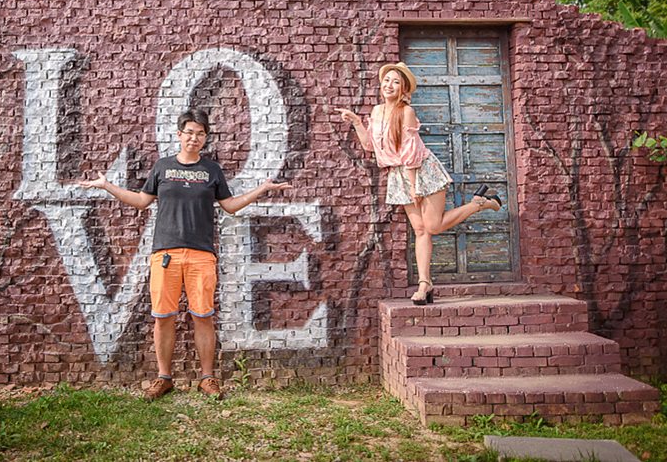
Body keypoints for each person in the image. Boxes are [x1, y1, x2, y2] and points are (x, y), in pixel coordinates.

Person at [77, 108, 291, 401]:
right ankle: (164, 378)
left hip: (201, 255)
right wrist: (107, 186)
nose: (194, 138)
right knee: (163, 317)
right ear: (179, 135)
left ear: (205, 138)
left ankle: (207, 378)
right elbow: (141, 201)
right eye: (189, 132)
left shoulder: (211, 171)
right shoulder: (162, 167)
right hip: (165, 254)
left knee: (203, 316)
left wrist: (262, 189)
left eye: (200, 133)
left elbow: (229, 205)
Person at [336, 62, 502, 305]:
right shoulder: (377, 111)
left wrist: (414, 186)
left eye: (395, 82)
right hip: (398, 175)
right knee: (420, 231)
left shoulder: (406, 112)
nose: (389, 85)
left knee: (433, 226)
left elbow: (411, 151)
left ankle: (481, 204)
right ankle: (425, 284)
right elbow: (369, 146)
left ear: (403, 89)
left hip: (421, 171)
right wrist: (357, 123)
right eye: (386, 80)